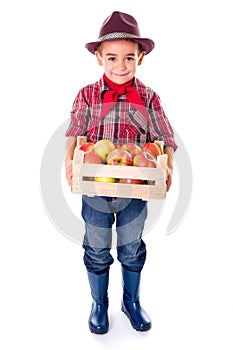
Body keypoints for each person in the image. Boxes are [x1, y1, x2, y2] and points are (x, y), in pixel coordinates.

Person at [65, 11, 177, 334]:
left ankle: (131, 301)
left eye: (129, 57)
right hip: (96, 191)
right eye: (112, 57)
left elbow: (165, 138)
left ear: (140, 58)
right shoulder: (86, 96)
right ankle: (99, 303)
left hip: (135, 192)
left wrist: (167, 164)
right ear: (99, 57)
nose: (121, 65)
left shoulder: (148, 98)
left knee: (131, 246)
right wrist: (69, 163)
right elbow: (74, 135)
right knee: (97, 246)